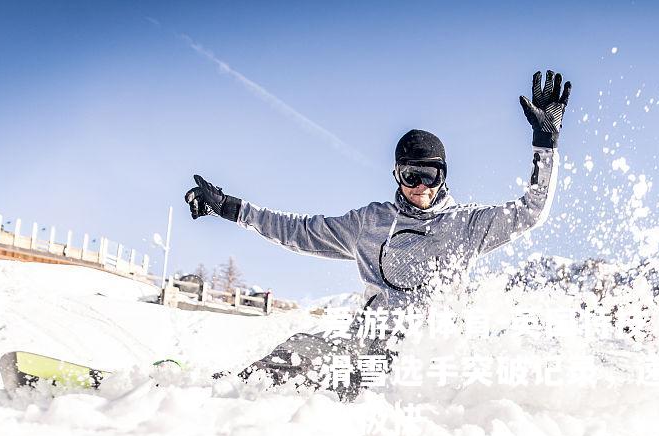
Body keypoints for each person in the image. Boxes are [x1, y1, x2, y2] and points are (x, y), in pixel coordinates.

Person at [185, 69, 572, 393]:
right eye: (410, 175)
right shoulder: (369, 223)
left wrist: (546, 145)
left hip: (425, 360)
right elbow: (299, 231)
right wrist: (232, 209)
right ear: (397, 176)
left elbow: (531, 210)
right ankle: (233, 394)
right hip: (366, 349)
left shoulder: (464, 226)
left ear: (444, 176)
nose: (421, 186)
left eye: (430, 175)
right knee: (297, 350)